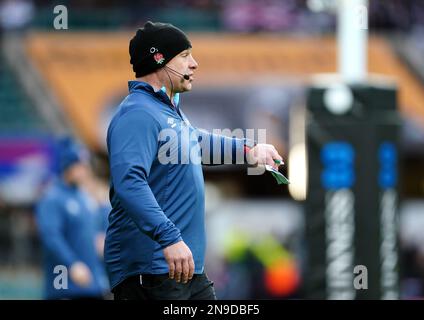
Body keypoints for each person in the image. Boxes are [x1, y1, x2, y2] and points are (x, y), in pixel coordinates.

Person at [105, 21, 284, 300]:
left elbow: (196, 142)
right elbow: (129, 181)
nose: (194, 64)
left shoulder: (166, 111)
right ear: (159, 59)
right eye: (185, 55)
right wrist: (169, 237)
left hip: (182, 268)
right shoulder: (137, 114)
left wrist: (249, 150)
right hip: (153, 269)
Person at [35, 136, 109, 300]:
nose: (85, 170)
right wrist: (72, 264)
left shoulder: (84, 197)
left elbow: (98, 227)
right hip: (64, 284)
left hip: (92, 283)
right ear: (69, 167)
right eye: (80, 165)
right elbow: (51, 237)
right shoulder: (52, 198)